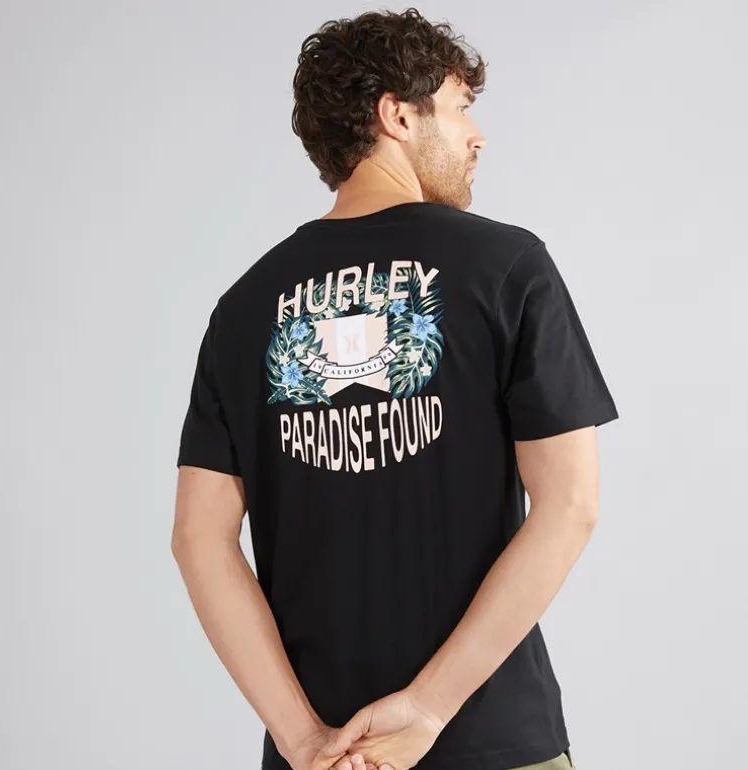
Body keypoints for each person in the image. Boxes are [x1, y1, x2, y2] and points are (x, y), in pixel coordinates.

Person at [171, 7, 618, 770]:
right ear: (398, 116)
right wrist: (428, 707)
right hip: (491, 739)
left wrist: (303, 738)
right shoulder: (508, 269)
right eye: (460, 108)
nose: (477, 136)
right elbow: (570, 505)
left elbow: (198, 539)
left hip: (323, 756)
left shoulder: (243, 308)